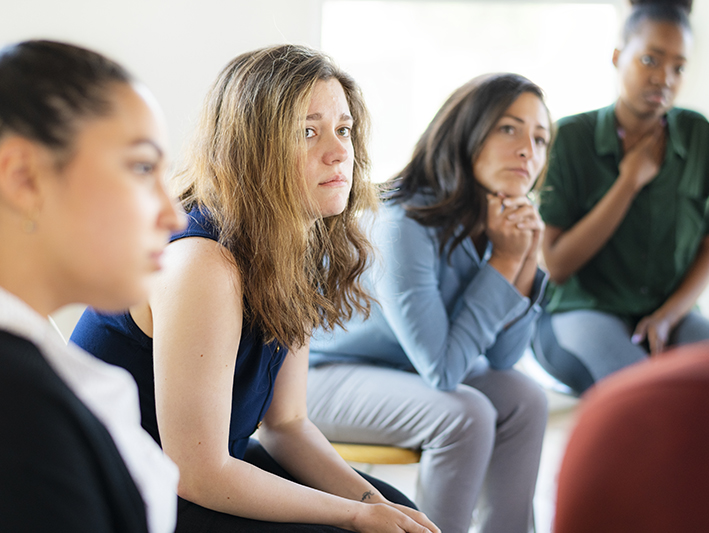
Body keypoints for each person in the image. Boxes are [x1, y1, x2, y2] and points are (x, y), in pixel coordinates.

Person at [71, 44, 438, 533]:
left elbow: (287, 424)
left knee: (397, 509)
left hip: (214, 468)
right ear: (254, 148)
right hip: (131, 494)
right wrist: (353, 515)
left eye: (343, 129)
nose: (339, 151)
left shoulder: (298, 244)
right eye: (308, 132)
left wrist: (372, 502)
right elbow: (196, 473)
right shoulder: (203, 262)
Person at [308, 73, 551, 533]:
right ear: (466, 131)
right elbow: (443, 369)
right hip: (322, 377)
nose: (528, 149)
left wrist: (525, 258)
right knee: (466, 413)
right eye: (509, 128)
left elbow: (504, 357)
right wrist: (503, 261)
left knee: (526, 397)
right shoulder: (404, 222)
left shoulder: (493, 220)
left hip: (401, 371)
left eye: (540, 138)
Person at [0, 40, 182, 532]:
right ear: (25, 179)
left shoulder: (36, 368)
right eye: (142, 167)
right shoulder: (19, 412)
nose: (174, 213)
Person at [535, 0, 709, 394]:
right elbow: (555, 264)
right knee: (648, 397)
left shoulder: (696, 134)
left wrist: (667, 316)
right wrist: (628, 182)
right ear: (617, 56)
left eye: (679, 67)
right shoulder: (571, 137)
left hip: (666, 313)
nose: (664, 78)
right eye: (649, 60)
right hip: (581, 311)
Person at [553, 333, 709, 532]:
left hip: (667, 313)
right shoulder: (625, 417)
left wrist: (666, 316)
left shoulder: (618, 419)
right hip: (587, 310)